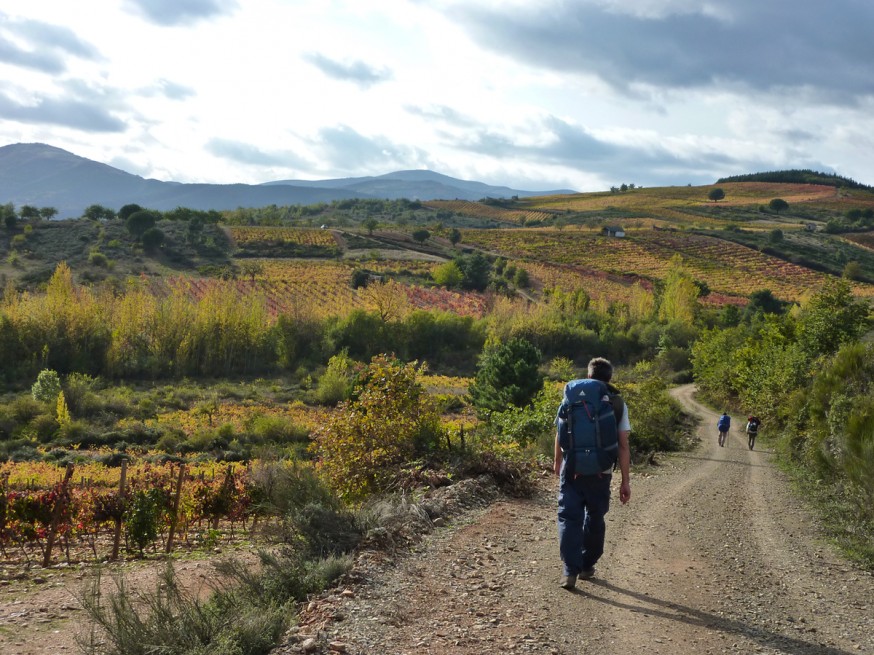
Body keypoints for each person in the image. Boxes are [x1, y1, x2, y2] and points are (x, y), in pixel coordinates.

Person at [553, 357, 631, 590]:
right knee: (595, 518)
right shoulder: (616, 402)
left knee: (569, 517)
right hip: (602, 471)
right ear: (609, 378)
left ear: (588, 376)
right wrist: (625, 481)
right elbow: (623, 444)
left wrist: (558, 462)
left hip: (572, 468)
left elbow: (559, 431)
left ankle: (569, 571)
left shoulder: (571, 396)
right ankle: (587, 565)